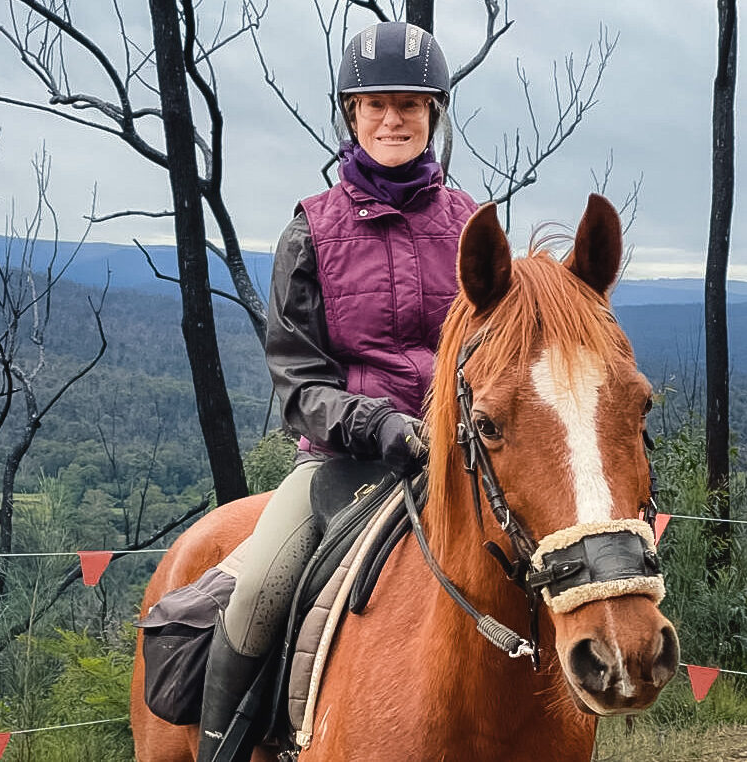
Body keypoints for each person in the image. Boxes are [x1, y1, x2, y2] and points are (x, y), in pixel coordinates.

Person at [196, 21, 478, 761]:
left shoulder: (471, 226)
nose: (392, 120)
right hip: (340, 461)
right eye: (375, 104)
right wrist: (377, 425)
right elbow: (298, 380)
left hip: (457, 457)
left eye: (409, 105)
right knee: (258, 593)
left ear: (433, 114)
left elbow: (497, 351)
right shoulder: (311, 231)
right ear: (352, 115)